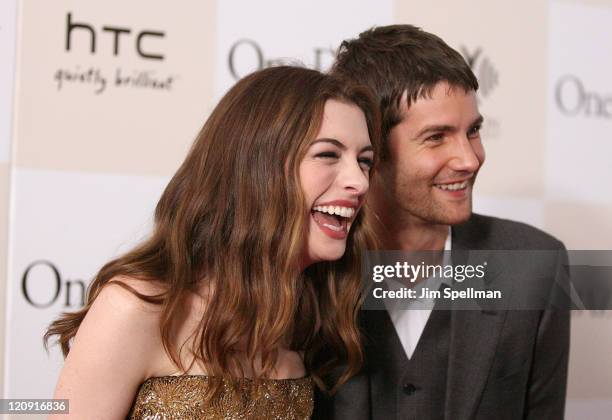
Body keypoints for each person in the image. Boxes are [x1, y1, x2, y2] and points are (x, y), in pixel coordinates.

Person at [44, 65, 381, 419]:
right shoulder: (139, 307)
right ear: (256, 166)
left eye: (365, 161)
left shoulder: (312, 321)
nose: (359, 182)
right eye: (328, 154)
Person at [314, 25, 570, 419]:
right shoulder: (308, 271)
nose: (469, 159)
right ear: (370, 148)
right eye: (437, 137)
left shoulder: (535, 265)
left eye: (473, 131)